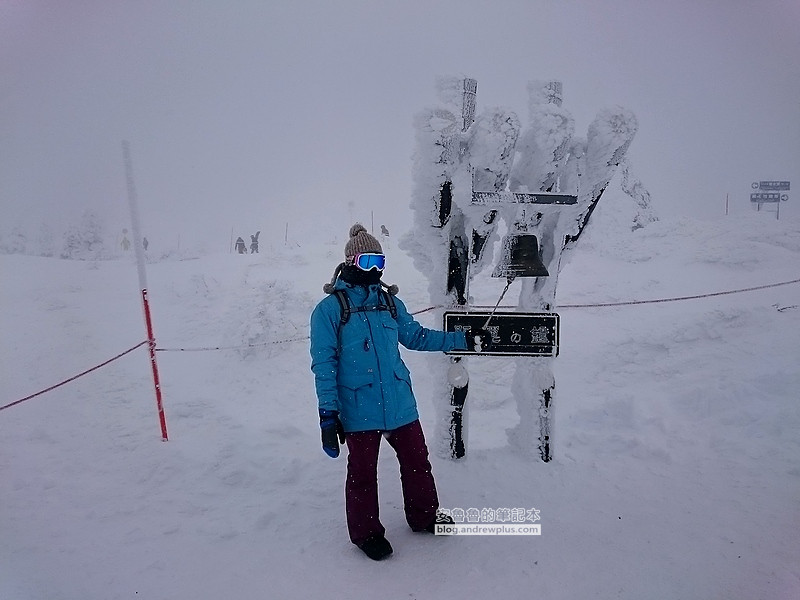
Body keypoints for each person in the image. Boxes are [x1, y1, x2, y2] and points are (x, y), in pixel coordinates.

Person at [309, 223, 489, 560]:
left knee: (417, 461)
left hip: (400, 401)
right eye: (367, 262)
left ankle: (424, 516)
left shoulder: (390, 304)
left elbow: (417, 337)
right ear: (350, 262)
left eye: (380, 261)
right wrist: (328, 414)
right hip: (359, 405)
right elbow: (324, 364)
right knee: (363, 473)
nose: (375, 270)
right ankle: (366, 533)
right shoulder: (330, 310)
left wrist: (461, 339)